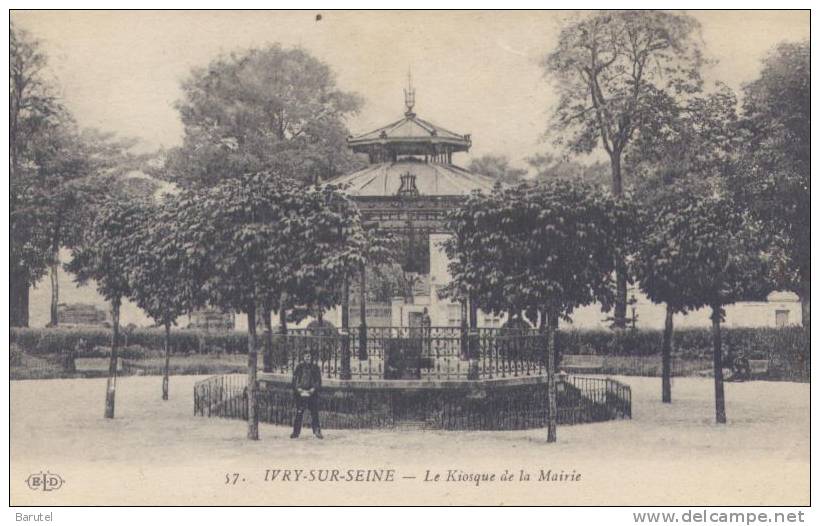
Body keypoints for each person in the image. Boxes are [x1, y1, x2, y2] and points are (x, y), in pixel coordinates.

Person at [290, 349, 323, 439]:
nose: (308, 358)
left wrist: (313, 389)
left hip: (312, 393)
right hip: (301, 394)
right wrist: (299, 390)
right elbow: (294, 380)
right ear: (303, 357)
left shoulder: (315, 368)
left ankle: (317, 431)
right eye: (306, 356)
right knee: (299, 412)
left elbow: (318, 381)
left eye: (309, 356)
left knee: (314, 413)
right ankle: (296, 432)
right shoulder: (299, 367)